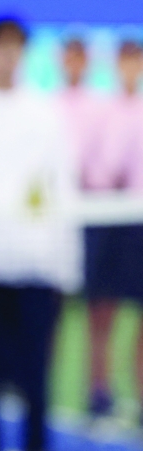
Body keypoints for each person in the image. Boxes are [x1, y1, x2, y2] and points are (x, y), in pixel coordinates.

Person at [0, 17, 78, 451]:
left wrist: (64, 262)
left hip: (33, 262)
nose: (9, 57)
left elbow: (60, 186)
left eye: (18, 47)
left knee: (34, 368)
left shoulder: (43, 112)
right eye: (2, 46)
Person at [83, 38, 143, 423]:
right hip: (108, 220)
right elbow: (94, 166)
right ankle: (99, 389)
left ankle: (139, 393)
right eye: (126, 60)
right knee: (102, 311)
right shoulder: (102, 110)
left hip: (139, 222)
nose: (130, 67)